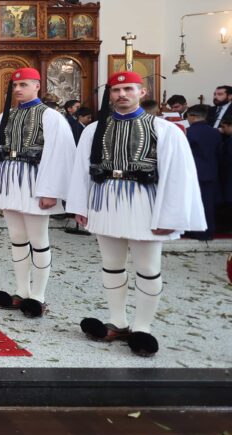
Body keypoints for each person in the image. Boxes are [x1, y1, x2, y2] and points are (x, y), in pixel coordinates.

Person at [68, 71, 205, 357]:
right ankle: (118, 322)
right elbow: (81, 170)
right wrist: (79, 206)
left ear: (141, 92)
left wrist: (169, 217)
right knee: (111, 264)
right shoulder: (95, 130)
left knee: (148, 267)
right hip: (104, 201)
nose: (122, 95)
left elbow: (178, 176)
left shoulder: (164, 129)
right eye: (116, 90)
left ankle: (143, 328)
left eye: (128, 89)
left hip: (145, 203)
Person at [0, 67, 76, 318]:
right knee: (17, 238)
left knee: (38, 239)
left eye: (24, 84)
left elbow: (60, 156)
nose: (18, 89)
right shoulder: (6, 116)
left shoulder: (51, 116)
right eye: (15, 85)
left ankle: (38, 296)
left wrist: (51, 191)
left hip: (35, 182)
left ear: (37, 85)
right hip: (10, 181)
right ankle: (22, 291)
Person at [183, 104, 223, 241]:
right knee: (208, 203)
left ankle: (195, 230)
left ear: (192, 117)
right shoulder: (215, 132)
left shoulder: (187, 132)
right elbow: (219, 152)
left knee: (193, 203)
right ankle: (208, 231)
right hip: (211, 171)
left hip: (192, 172)